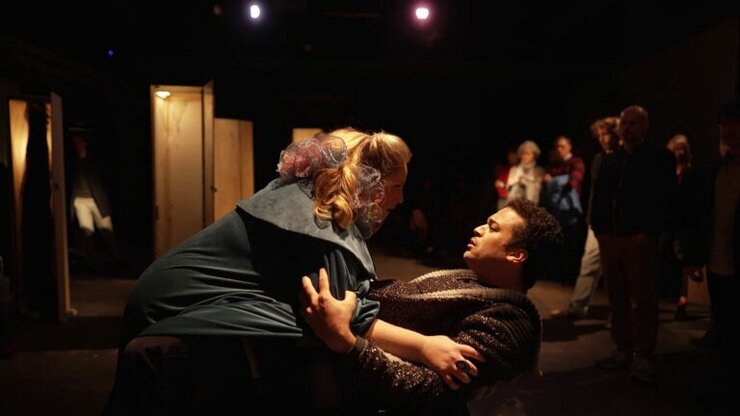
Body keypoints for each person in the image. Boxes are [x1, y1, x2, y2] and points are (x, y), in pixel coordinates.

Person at [103, 127, 480, 415]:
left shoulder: (306, 199)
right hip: (174, 314)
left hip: (168, 301)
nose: (400, 199)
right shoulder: (319, 222)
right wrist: (426, 346)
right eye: (396, 186)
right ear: (370, 182)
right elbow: (341, 314)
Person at [299, 198, 563, 414]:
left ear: (516, 255)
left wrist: (346, 341)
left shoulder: (509, 324)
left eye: (493, 228)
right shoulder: (478, 282)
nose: (479, 229)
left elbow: (427, 389)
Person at [590, 105, 676, 383]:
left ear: (645, 126)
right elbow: (600, 197)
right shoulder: (610, 160)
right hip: (611, 240)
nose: (627, 129)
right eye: (624, 123)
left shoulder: (659, 158)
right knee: (617, 299)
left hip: (639, 241)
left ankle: (643, 355)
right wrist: (600, 229)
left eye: (634, 123)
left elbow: (665, 198)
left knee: (644, 300)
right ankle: (623, 348)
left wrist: (648, 232)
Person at [680, 100, 740, 368]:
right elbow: (697, 216)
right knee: (725, 330)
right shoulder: (712, 171)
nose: (729, 128)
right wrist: (693, 258)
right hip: (718, 265)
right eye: (724, 123)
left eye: (736, 122)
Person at [551, 116, 619, 319]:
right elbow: (595, 192)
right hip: (599, 220)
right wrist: (591, 217)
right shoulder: (600, 158)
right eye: (600, 135)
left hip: (620, 222)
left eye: (606, 134)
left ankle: (619, 315)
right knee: (589, 262)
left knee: (618, 269)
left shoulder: (625, 158)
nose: (602, 139)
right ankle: (578, 306)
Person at [68, 131, 120, 270]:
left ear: (85, 143)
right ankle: (90, 262)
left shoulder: (94, 160)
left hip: (97, 199)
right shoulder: (72, 161)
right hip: (80, 200)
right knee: (87, 233)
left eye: (79, 142)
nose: (77, 145)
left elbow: (103, 177)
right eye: (75, 143)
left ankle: (115, 258)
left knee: (106, 229)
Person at [542, 135, 586, 285]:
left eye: (562, 146)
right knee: (557, 242)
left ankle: (569, 277)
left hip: (570, 210)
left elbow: (573, 182)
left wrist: (554, 181)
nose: (559, 149)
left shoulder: (576, 162)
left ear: (569, 147)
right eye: (557, 147)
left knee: (570, 243)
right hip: (556, 210)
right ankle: (556, 275)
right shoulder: (555, 164)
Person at [662, 134, 694, 321]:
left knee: (684, 262)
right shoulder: (665, 172)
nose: (679, 153)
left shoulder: (690, 172)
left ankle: (682, 302)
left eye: (682, 149)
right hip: (667, 221)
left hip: (683, 222)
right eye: (676, 149)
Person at [504, 140, 545, 205]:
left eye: (528, 154)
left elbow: (538, 188)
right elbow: (509, 186)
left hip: (531, 203)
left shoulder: (539, 170)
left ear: (534, 155)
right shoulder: (514, 169)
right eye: (523, 153)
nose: (525, 156)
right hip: (515, 201)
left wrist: (526, 181)